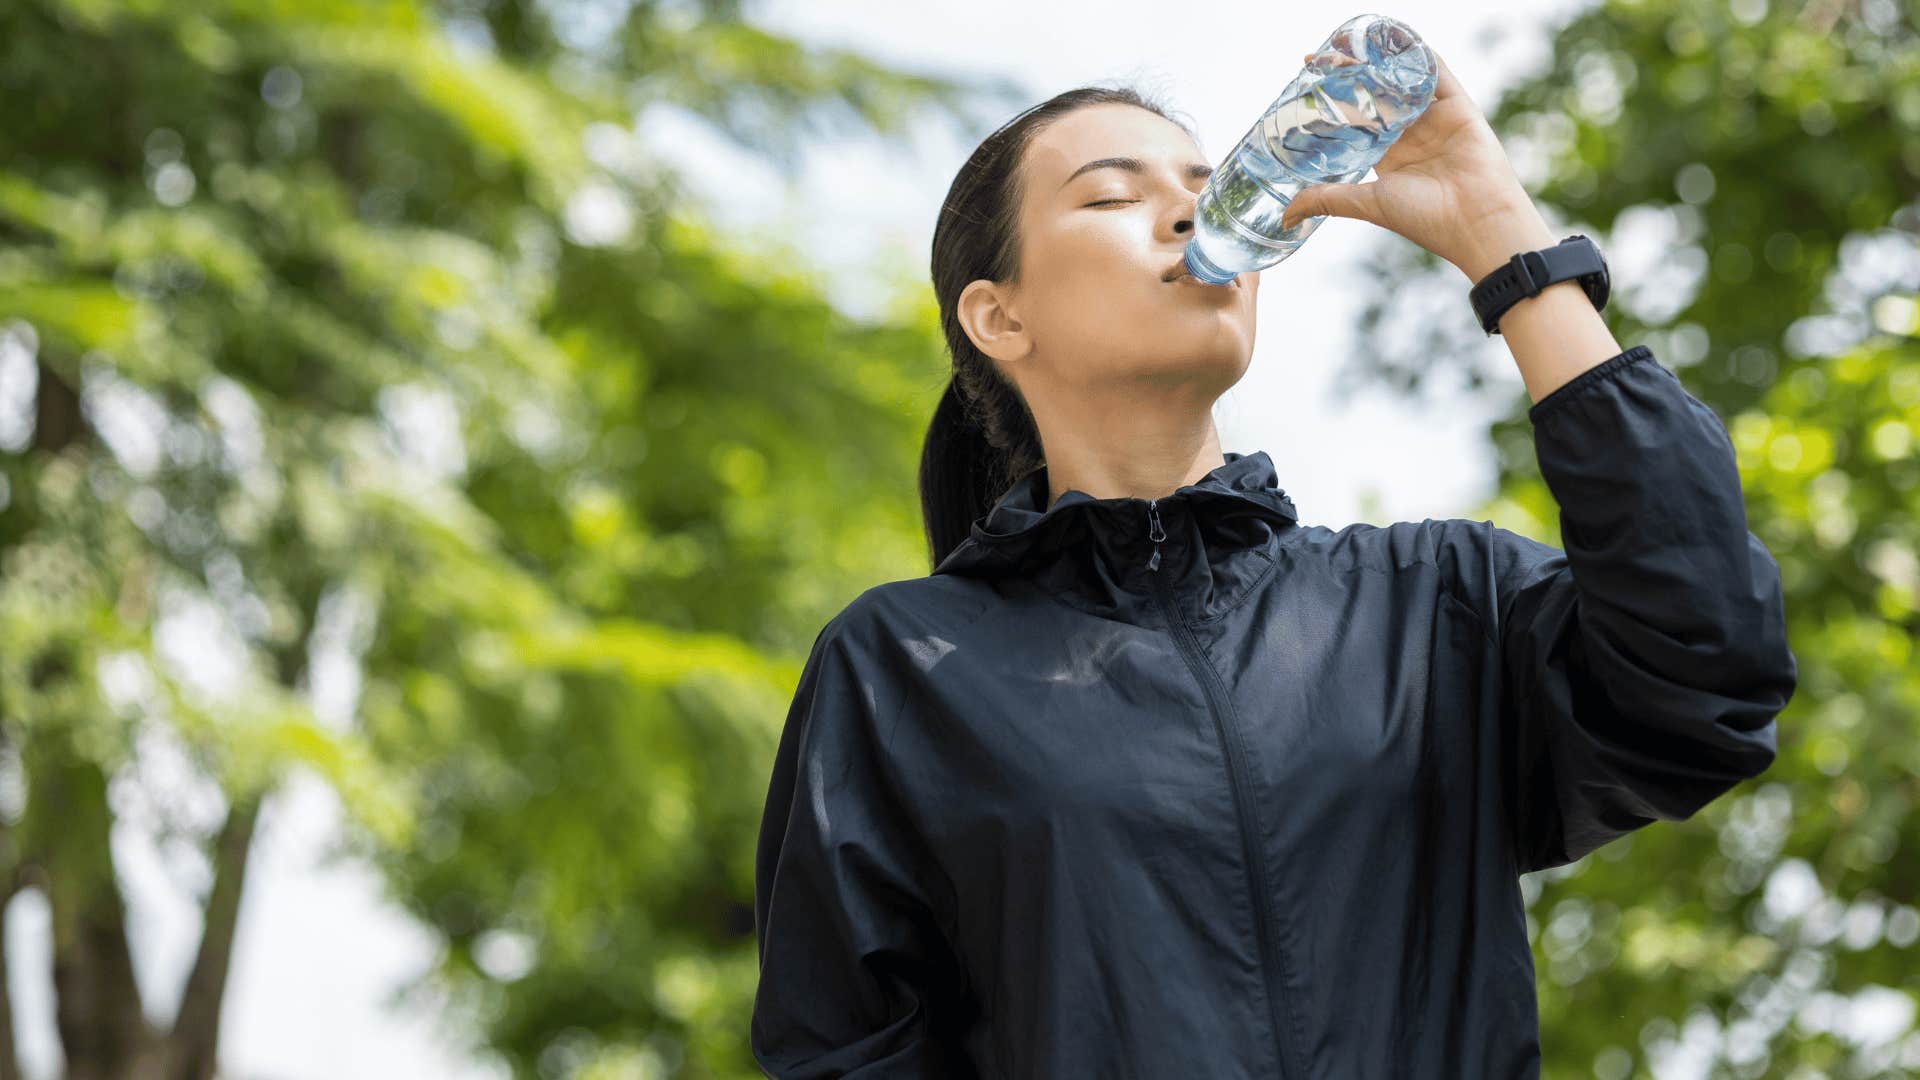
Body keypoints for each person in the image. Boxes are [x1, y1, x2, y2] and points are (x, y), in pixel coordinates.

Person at [749, 50, 1798, 1080]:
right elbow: (842, 1050)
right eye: (1114, 197)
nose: (1188, 216)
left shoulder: (1435, 608)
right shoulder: (904, 668)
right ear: (998, 316)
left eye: (1210, 188)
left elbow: (1707, 675)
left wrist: (1504, 242)